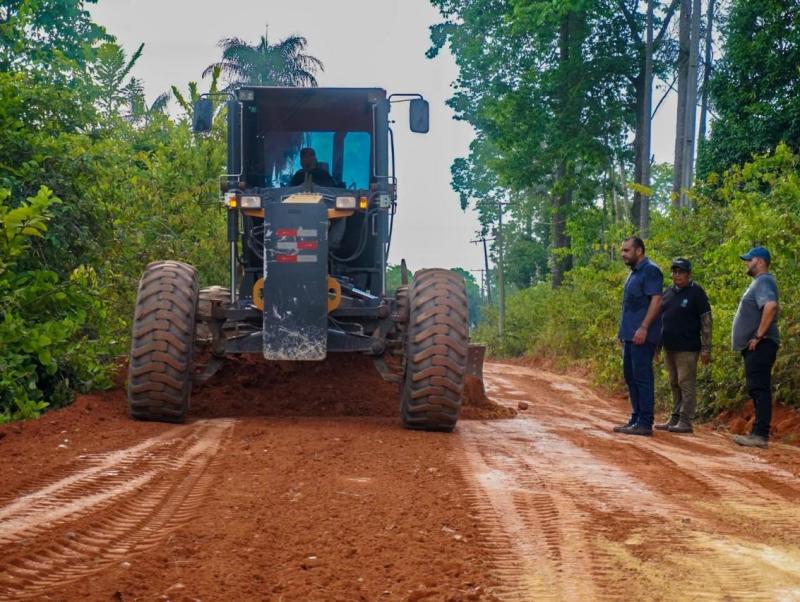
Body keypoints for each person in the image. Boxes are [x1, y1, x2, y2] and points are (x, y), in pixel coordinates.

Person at [654, 258, 712, 434]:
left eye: (681, 272)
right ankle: (675, 417)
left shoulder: (696, 292)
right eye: (674, 272)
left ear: (689, 274)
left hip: (688, 348)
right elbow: (661, 321)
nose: (677, 275)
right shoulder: (668, 293)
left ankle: (686, 420)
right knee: (673, 383)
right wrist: (657, 346)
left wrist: (706, 348)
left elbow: (706, 321)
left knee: (685, 383)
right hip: (669, 346)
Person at [614, 236, 663, 436]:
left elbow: (657, 301)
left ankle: (645, 422)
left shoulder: (650, 270)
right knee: (631, 376)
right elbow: (629, 306)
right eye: (622, 250)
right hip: (630, 335)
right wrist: (622, 332)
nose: (623, 254)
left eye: (626, 250)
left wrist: (644, 327)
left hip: (642, 335)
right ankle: (635, 418)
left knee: (642, 377)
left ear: (639, 251)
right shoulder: (633, 273)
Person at [731, 246, 780, 449]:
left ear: (759, 261)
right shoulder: (759, 282)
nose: (747, 263)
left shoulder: (764, 281)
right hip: (758, 345)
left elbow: (771, 305)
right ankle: (758, 434)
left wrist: (758, 336)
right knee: (757, 388)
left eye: (749, 260)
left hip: (762, 344)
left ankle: (760, 435)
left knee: (760, 388)